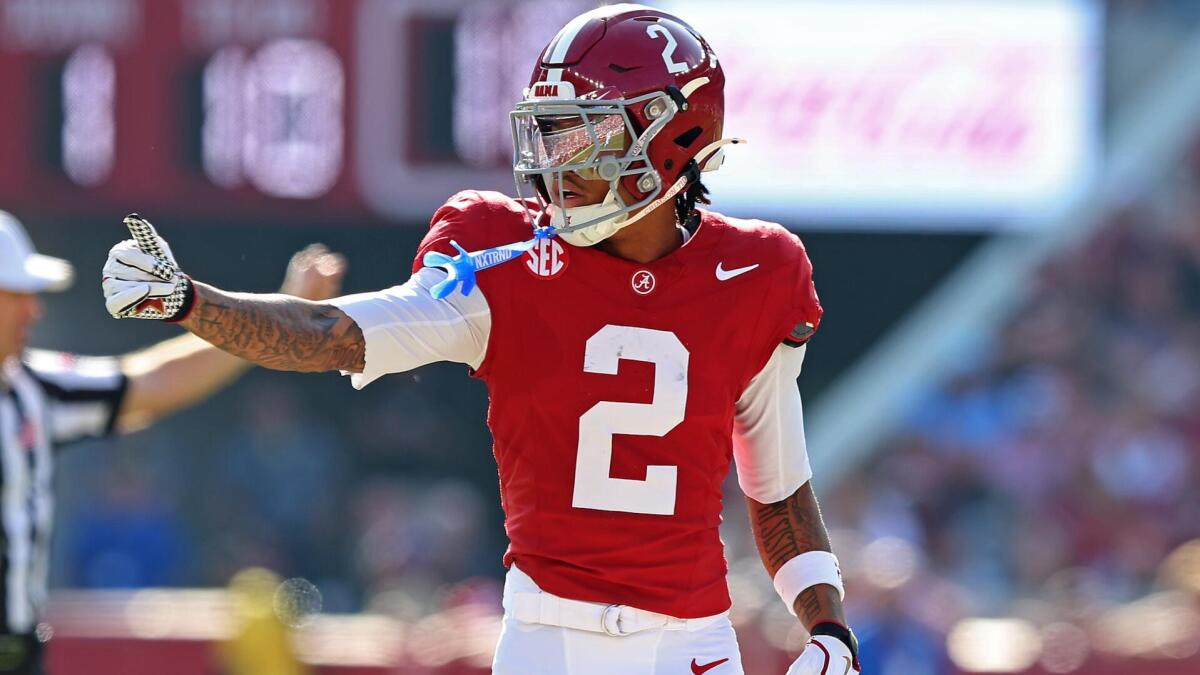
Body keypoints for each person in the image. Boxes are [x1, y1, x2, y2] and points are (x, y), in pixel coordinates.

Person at [100, 5, 859, 674]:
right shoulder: (502, 255)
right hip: (544, 640)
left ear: (674, 133)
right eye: (551, 133)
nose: (558, 162)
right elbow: (334, 335)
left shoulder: (757, 272)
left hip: (691, 645)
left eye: (584, 133)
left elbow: (778, 489)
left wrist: (827, 627)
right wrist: (190, 301)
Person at [0, 210, 344, 675]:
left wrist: (276, 314)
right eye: (16, 294)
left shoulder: (31, 389)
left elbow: (155, 380)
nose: (33, 310)